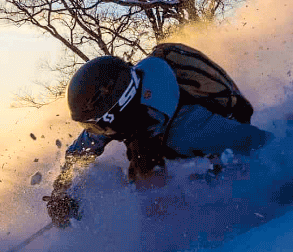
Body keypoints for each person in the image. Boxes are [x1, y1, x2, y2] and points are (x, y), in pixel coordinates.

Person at [43, 43, 274, 228]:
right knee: (149, 166)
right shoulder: (124, 106)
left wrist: (156, 223)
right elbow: (81, 151)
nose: (97, 132)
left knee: (174, 144)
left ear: (118, 108)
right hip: (178, 132)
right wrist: (62, 190)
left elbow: (147, 163)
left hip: (221, 118)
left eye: (99, 125)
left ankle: (268, 171)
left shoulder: (158, 111)